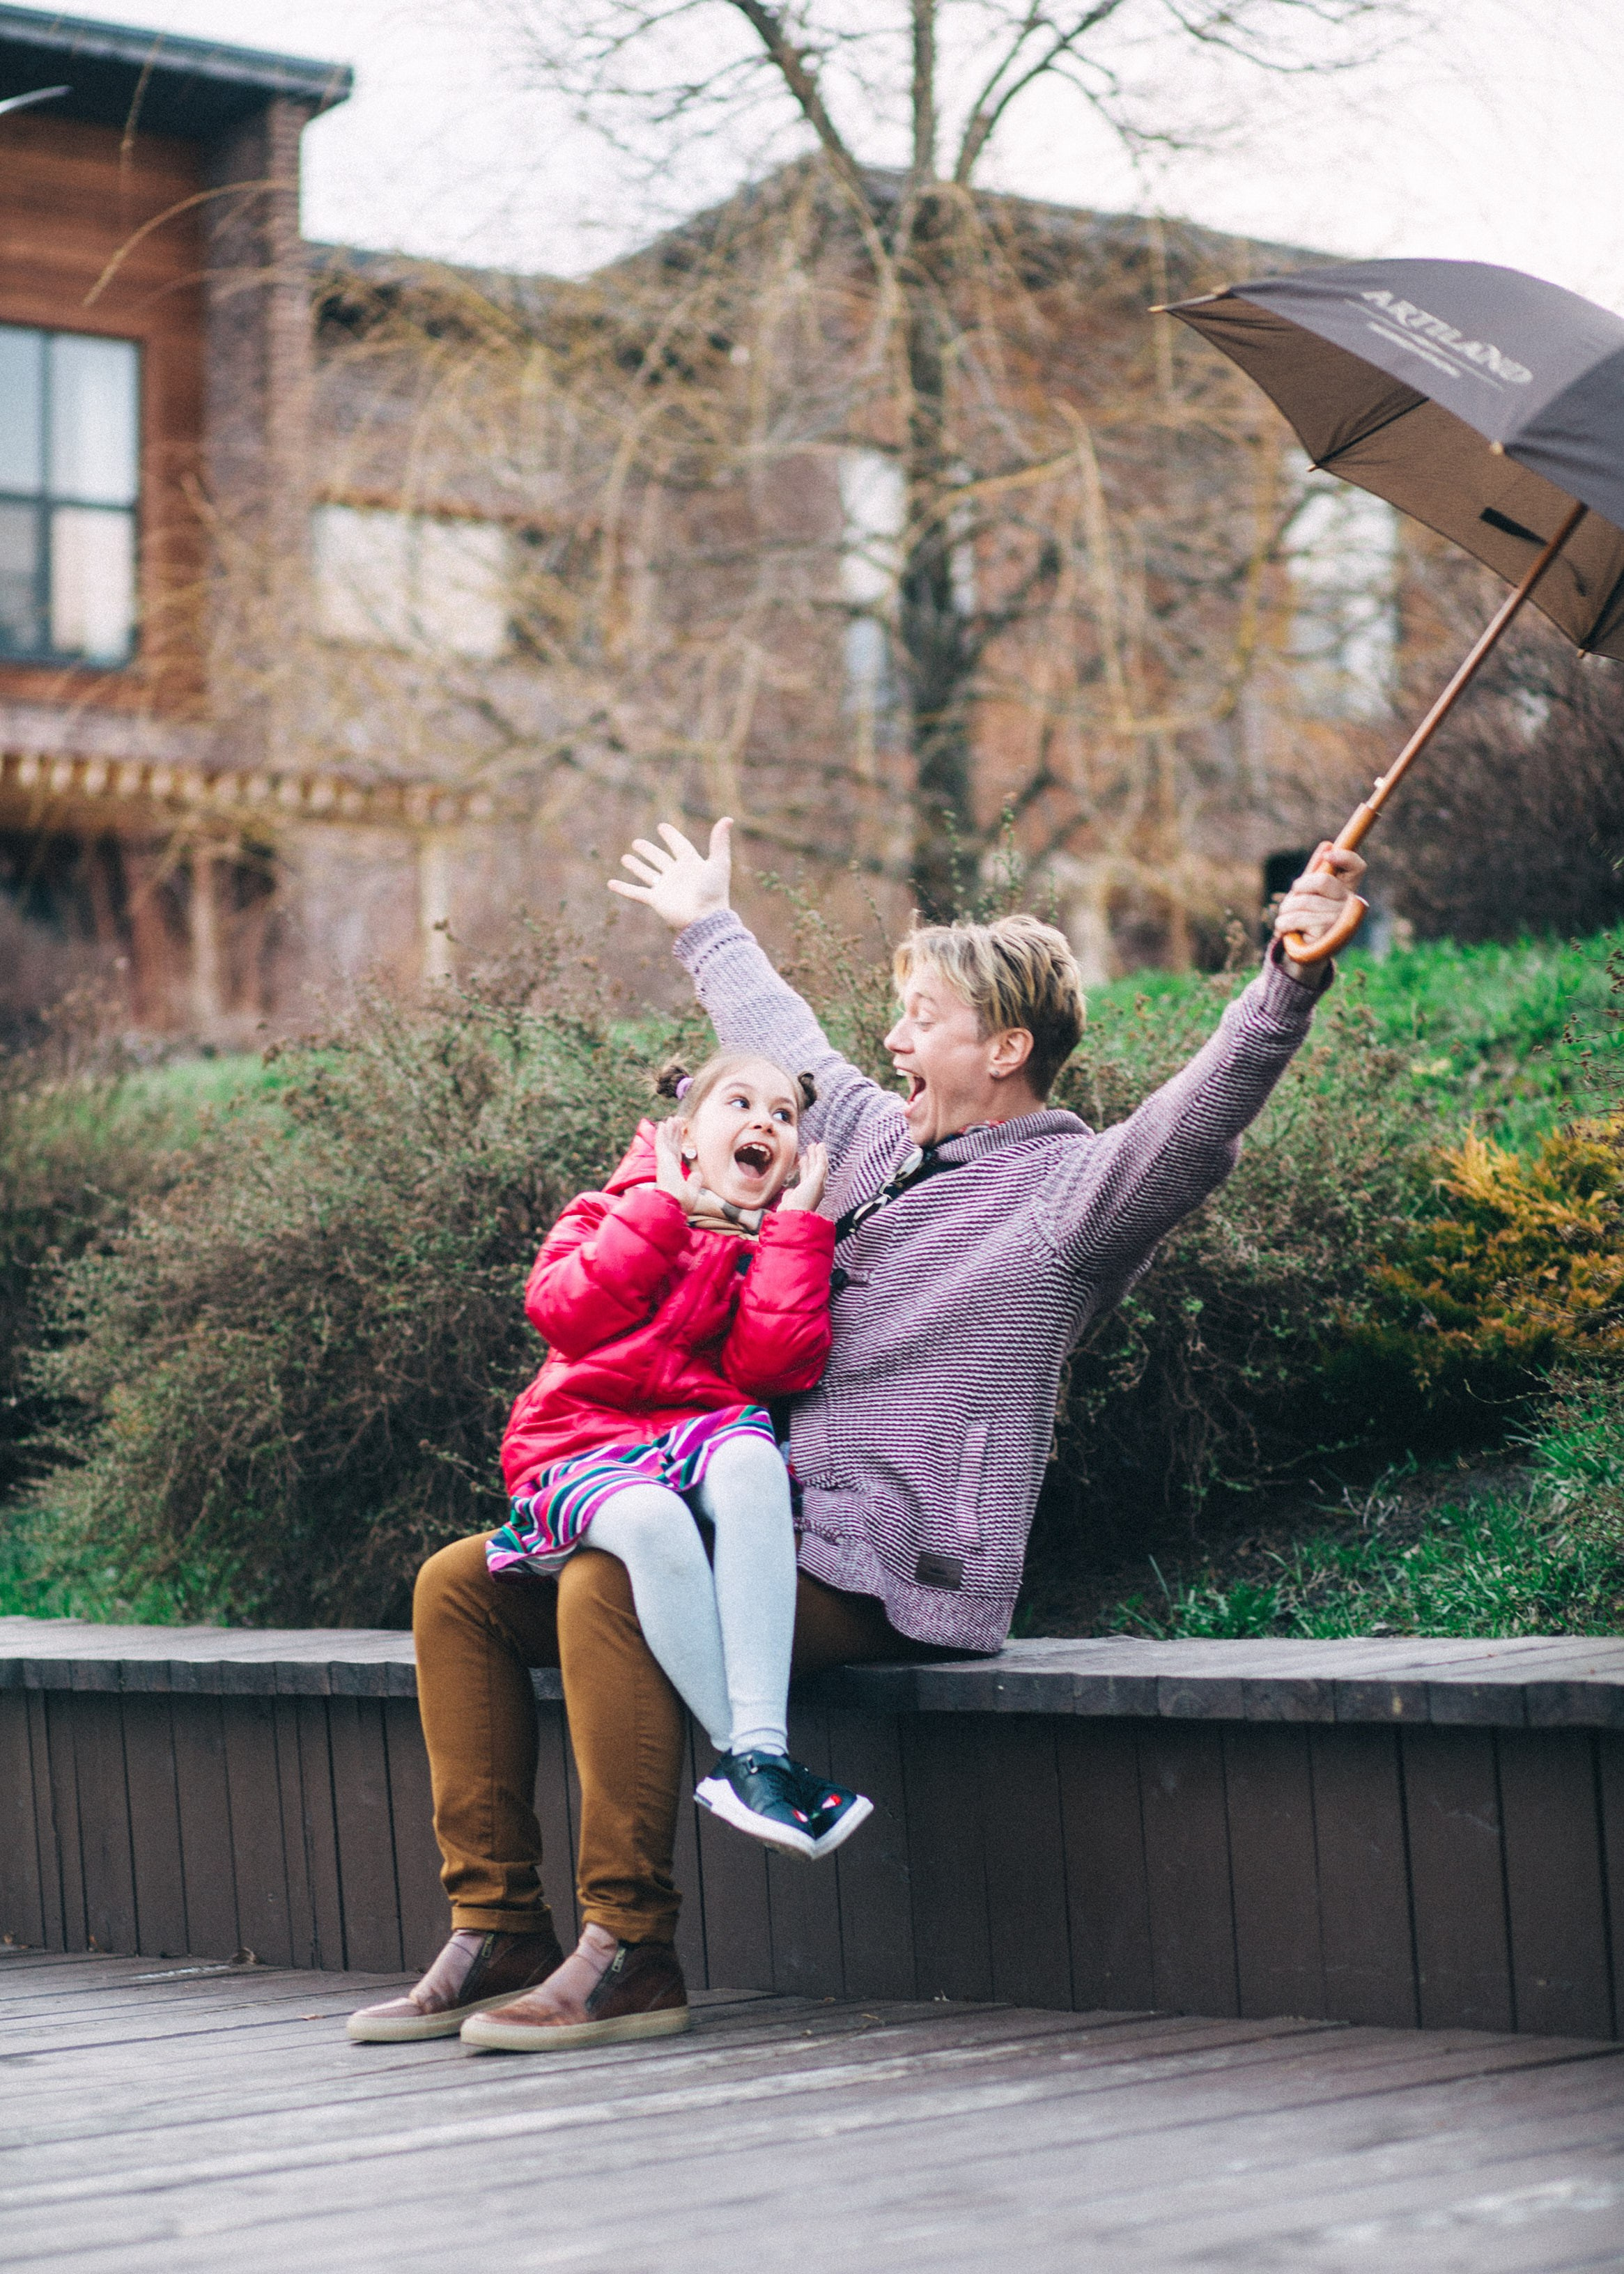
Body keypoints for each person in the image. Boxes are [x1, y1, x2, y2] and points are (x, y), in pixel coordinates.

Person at [349, 820, 1365, 2055]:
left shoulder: (1071, 1197)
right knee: (459, 1584)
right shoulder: (874, 1137)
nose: (893, 1040)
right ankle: (498, 1923)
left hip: (890, 1565)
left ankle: (630, 1945)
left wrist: (1288, 978)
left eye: (922, 1017)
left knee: (611, 1579)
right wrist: (705, 921)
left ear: (1004, 1045)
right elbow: (784, 1045)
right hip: (760, 1522)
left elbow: (1196, 1119)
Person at [487, 1052, 871, 1869]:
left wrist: (798, 1231)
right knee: (656, 1519)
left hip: (688, 1439)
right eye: (741, 1102)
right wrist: (660, 1210)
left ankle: (763, 1749)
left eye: (784, 1116)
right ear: (685, 1133)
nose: (765, 1122)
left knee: (751, 1455)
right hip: (574, 1449)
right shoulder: (607, 1211)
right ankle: (744, 1756)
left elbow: (772, 1370)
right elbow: (564, 1314)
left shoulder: (771, 1245)